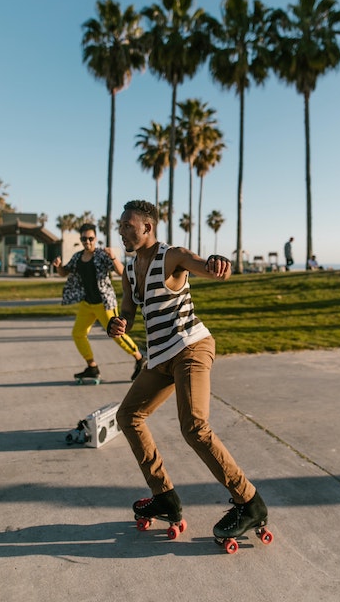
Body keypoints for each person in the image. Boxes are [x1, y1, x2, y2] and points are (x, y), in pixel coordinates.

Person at [107, 200, 268, 541]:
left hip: (191, 347)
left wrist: (216, 264)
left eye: (127, 225)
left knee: (194, 427)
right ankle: (165, 497)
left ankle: (250, 502)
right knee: (128, 416)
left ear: (147, 228)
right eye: (120, 225)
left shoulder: (172, 256)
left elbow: (203, 265)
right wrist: (119, 323)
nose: (121, 230)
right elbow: (128, 310)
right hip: (161, 357)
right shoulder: (129, 268)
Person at [52, 223, 146, 382]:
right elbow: (64, 272)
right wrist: (58, 266)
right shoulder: (77, 257)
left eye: (90, 238)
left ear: (96, 238)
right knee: (78, 334)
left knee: (117, 335)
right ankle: (92, 367)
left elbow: (121, 272)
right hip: (87, 304)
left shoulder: (102, 255)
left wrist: (113, 257)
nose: (87, 241)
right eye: (84, 238)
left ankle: (139, 358)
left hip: (105, 304)